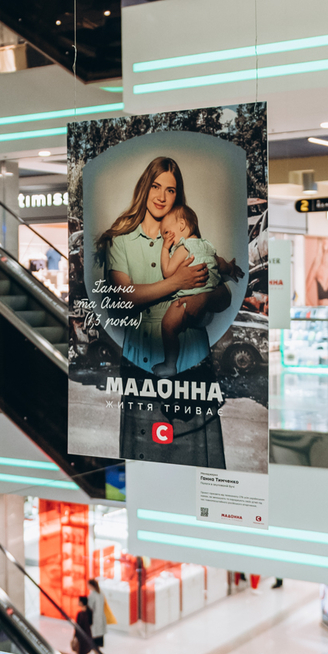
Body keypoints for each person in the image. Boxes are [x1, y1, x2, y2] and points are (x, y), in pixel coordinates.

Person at [99, 156, 243, 465]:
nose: (162, 197)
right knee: (142, 468)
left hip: (194, 362)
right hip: (140, 366)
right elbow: (126, 296)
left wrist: (203, 297)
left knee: (199, 468)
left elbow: (223, 295)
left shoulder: (189, 237)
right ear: (144, 188)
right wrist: (177, 281)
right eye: (156, 186)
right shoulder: (119, 241)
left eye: (171, 190)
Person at [154, 203, 236, 376]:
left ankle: (170, 365)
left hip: (187, 303)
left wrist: (165, 249)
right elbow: (221, 264)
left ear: (181, 225)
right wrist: (231, 268)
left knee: (168, 326)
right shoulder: (208, 246)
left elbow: (168, 272)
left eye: (167, 233)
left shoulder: (183, 248)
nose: (165, 238)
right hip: (207, 311)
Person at [85, 578, 107, 654]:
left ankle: (96, 653)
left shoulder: (92, 595)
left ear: (91, 585)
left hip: (94, 619)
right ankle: (98, 653)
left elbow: (90, 607)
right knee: (99, 637)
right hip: (100, 617)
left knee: (94, 637)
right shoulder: (100, 593)